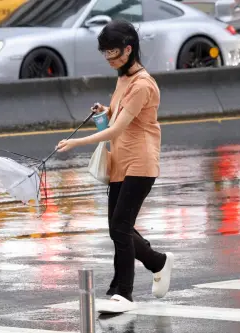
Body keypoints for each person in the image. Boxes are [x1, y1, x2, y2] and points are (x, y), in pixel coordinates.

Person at [56, 19, 174, 314]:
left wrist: (74, 143)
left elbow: (116, 129)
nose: (109, 59)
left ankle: (124, 293)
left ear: (129, 49)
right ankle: (157, 261)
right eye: (105, 54)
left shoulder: (143, 85)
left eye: (114, 53)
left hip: (141, 162)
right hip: (120, 161)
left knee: (120, 227)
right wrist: (105, 110)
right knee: (117, 227)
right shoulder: (123, 79)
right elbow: (119, 114)